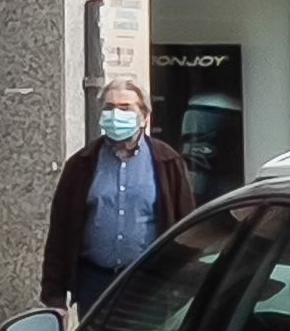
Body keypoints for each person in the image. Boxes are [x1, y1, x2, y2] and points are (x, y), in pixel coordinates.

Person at [38, 76, 195, 313]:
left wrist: (185, 285)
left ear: (143, 116)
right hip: (95, 284)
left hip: (150, 284)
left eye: (125, 108)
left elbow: (188, 228)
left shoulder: (167, 162)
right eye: (109, 108)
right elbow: (60, 233)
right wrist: (54, 297)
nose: (116, 114)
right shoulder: (81, 165)